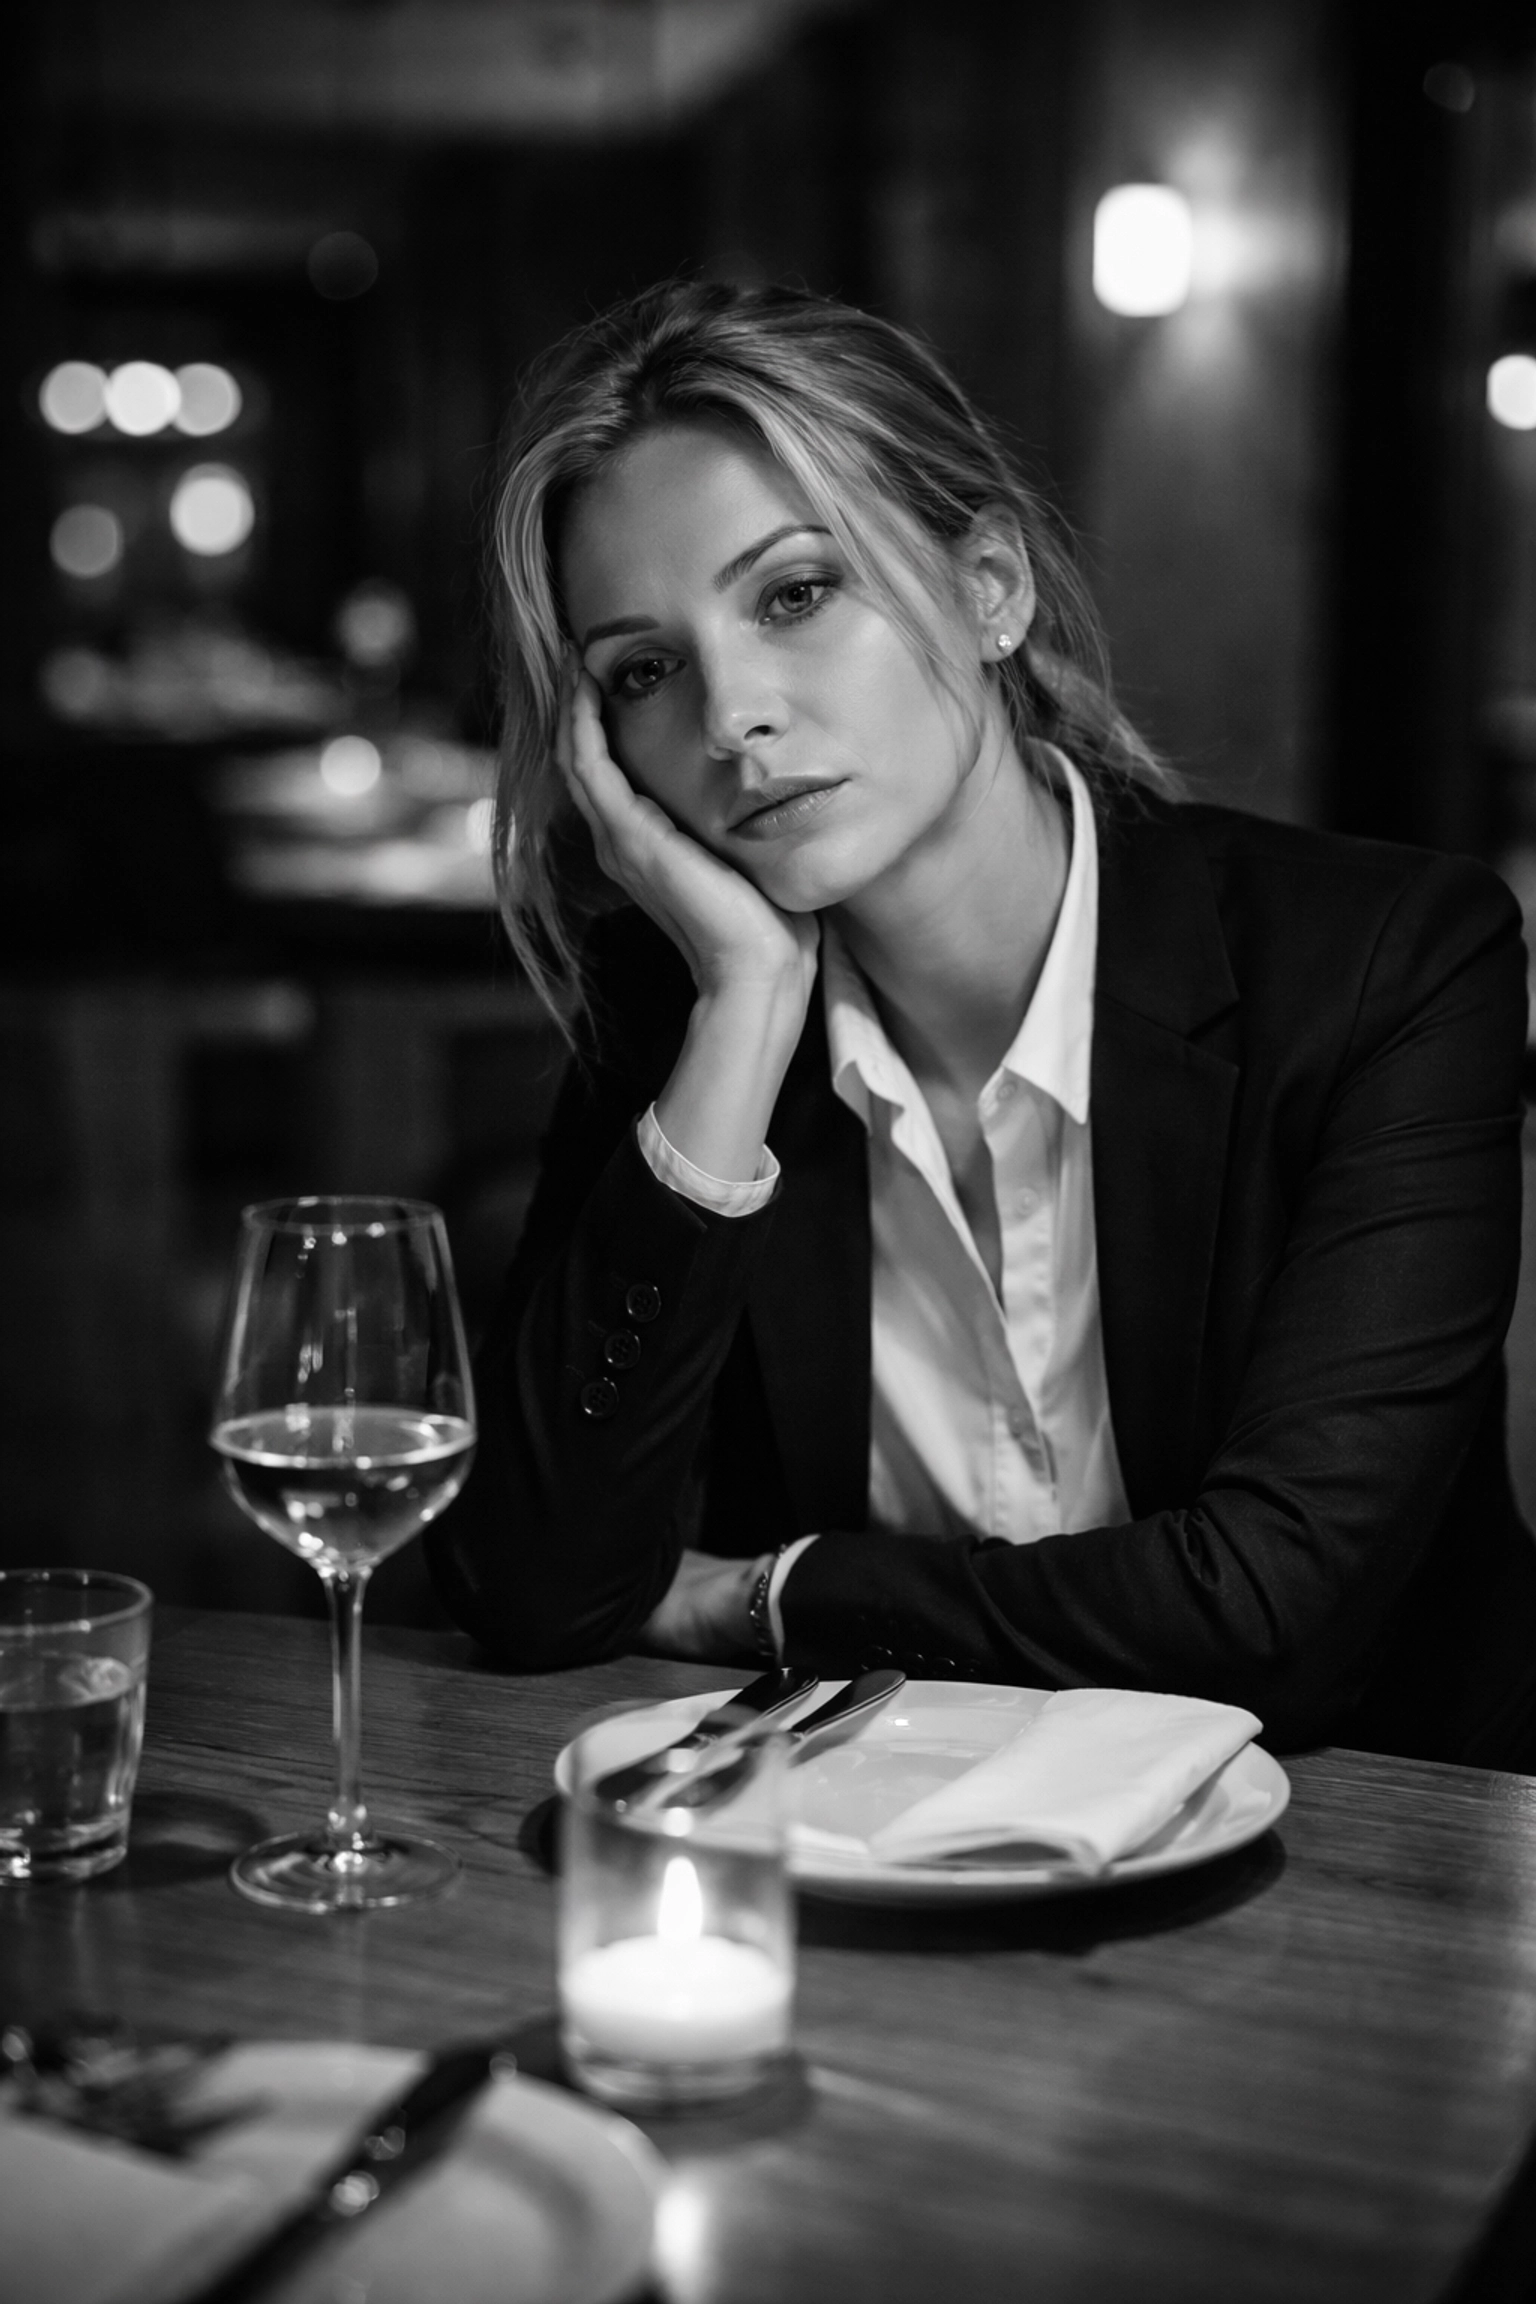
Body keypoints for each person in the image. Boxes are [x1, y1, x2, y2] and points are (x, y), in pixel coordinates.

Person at [426, 278, 1536, 1766]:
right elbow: (534, 1587)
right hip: (883, 1860)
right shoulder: (683, 1009)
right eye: (642, 671)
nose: (730, 714)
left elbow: (1280, 1617)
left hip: (1371, 1868)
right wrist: (748, 1012)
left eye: (795, 594)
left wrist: (766, 1596)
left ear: (990, 587)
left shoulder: (1390, 967)